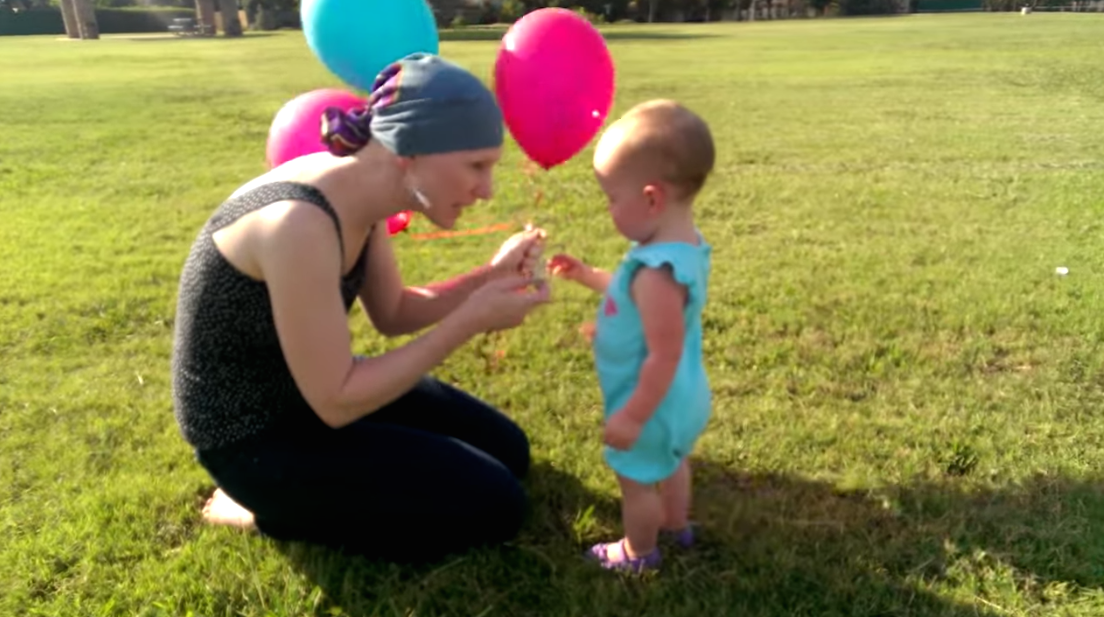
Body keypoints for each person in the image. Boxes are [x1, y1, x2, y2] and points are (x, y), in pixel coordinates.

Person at [171, 52, 551, 563]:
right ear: (410, 153)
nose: (487, 190)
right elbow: (338, 400)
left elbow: (393, 312)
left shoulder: (363, 192)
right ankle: (267, 509)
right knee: (498, 505)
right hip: (253, 439)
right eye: (476, 166)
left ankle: (319, 493)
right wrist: (470, 319)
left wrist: (492, 275)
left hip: (305, 398)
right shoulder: (299, 224)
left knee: (510, 452)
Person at [546, 99, 715, 573]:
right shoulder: (682, 249)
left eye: (612, 198)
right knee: (674, 459)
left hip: (652, 403)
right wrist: (586, 276)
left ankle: (638, 553)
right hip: (685, 398)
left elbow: (662, 354)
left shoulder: (655, 274)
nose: (609, 209)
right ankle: (676, 525)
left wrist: (632, 418)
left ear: (651, 198)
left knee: (636, 477)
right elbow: (629, 294)